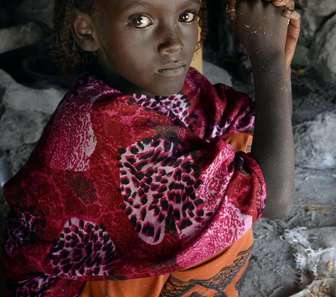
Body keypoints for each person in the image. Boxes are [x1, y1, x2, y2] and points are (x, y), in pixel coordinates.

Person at [1, 0, 300, 296]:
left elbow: (247, 124)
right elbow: (274, 200)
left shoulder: (148, 84)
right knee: (223, 207)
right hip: (69, 289)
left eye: (185, 15)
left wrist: (271, 45)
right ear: (86, 30)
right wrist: (268, 62)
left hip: (104, 269)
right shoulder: (105, 122)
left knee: (235, 147)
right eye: (140, 20)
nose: (173, 43)